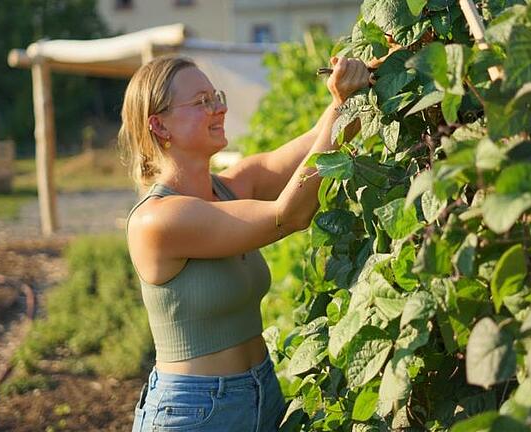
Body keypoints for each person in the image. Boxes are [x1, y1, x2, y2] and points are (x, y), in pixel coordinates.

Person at [118, 53, 370, 432]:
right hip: (194, 411)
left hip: (262, 393)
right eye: (201, 102)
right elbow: (288, 215)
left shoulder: (233, 186)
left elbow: (320, 137)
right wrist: (341, 104)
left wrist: (371, 76)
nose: (218, 108)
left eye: (215, 96)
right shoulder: (157, 219)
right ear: (160, 125)